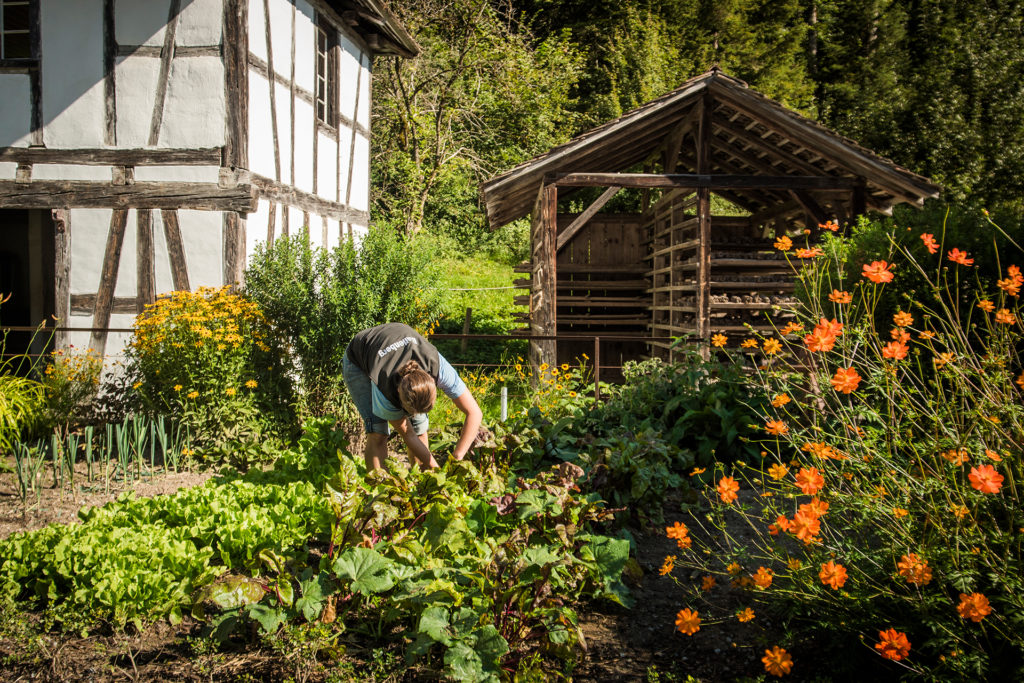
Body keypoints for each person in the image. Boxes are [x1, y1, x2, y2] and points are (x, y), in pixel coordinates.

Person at [342, 322, 482, 471]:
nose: (413, 415)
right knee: (378, 431)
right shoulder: (385, 388)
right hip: (360, 358)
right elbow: (408, 436)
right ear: (398, 393)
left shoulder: (438, 367)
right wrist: (439, 472)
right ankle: (377, 488)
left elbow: (474, 413)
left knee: (420, 428)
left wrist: (457, 458)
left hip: (397, 340)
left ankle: (421, 482)